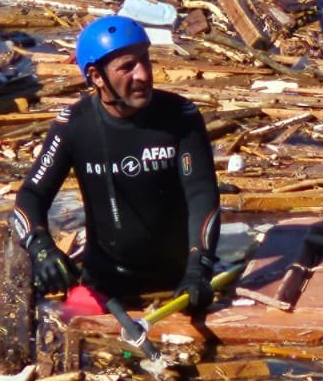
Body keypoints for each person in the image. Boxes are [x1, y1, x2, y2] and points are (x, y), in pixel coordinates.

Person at [11, 16, 221, 315]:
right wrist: (41, 248)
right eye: (127, 67)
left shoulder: (179, 116)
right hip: (106, 286)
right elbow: (30, 196)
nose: (144, 75)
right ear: (97, 76)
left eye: (145, 61)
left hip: (180, 284)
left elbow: (201, 193)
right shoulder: (73, 126)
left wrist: (200, 266)